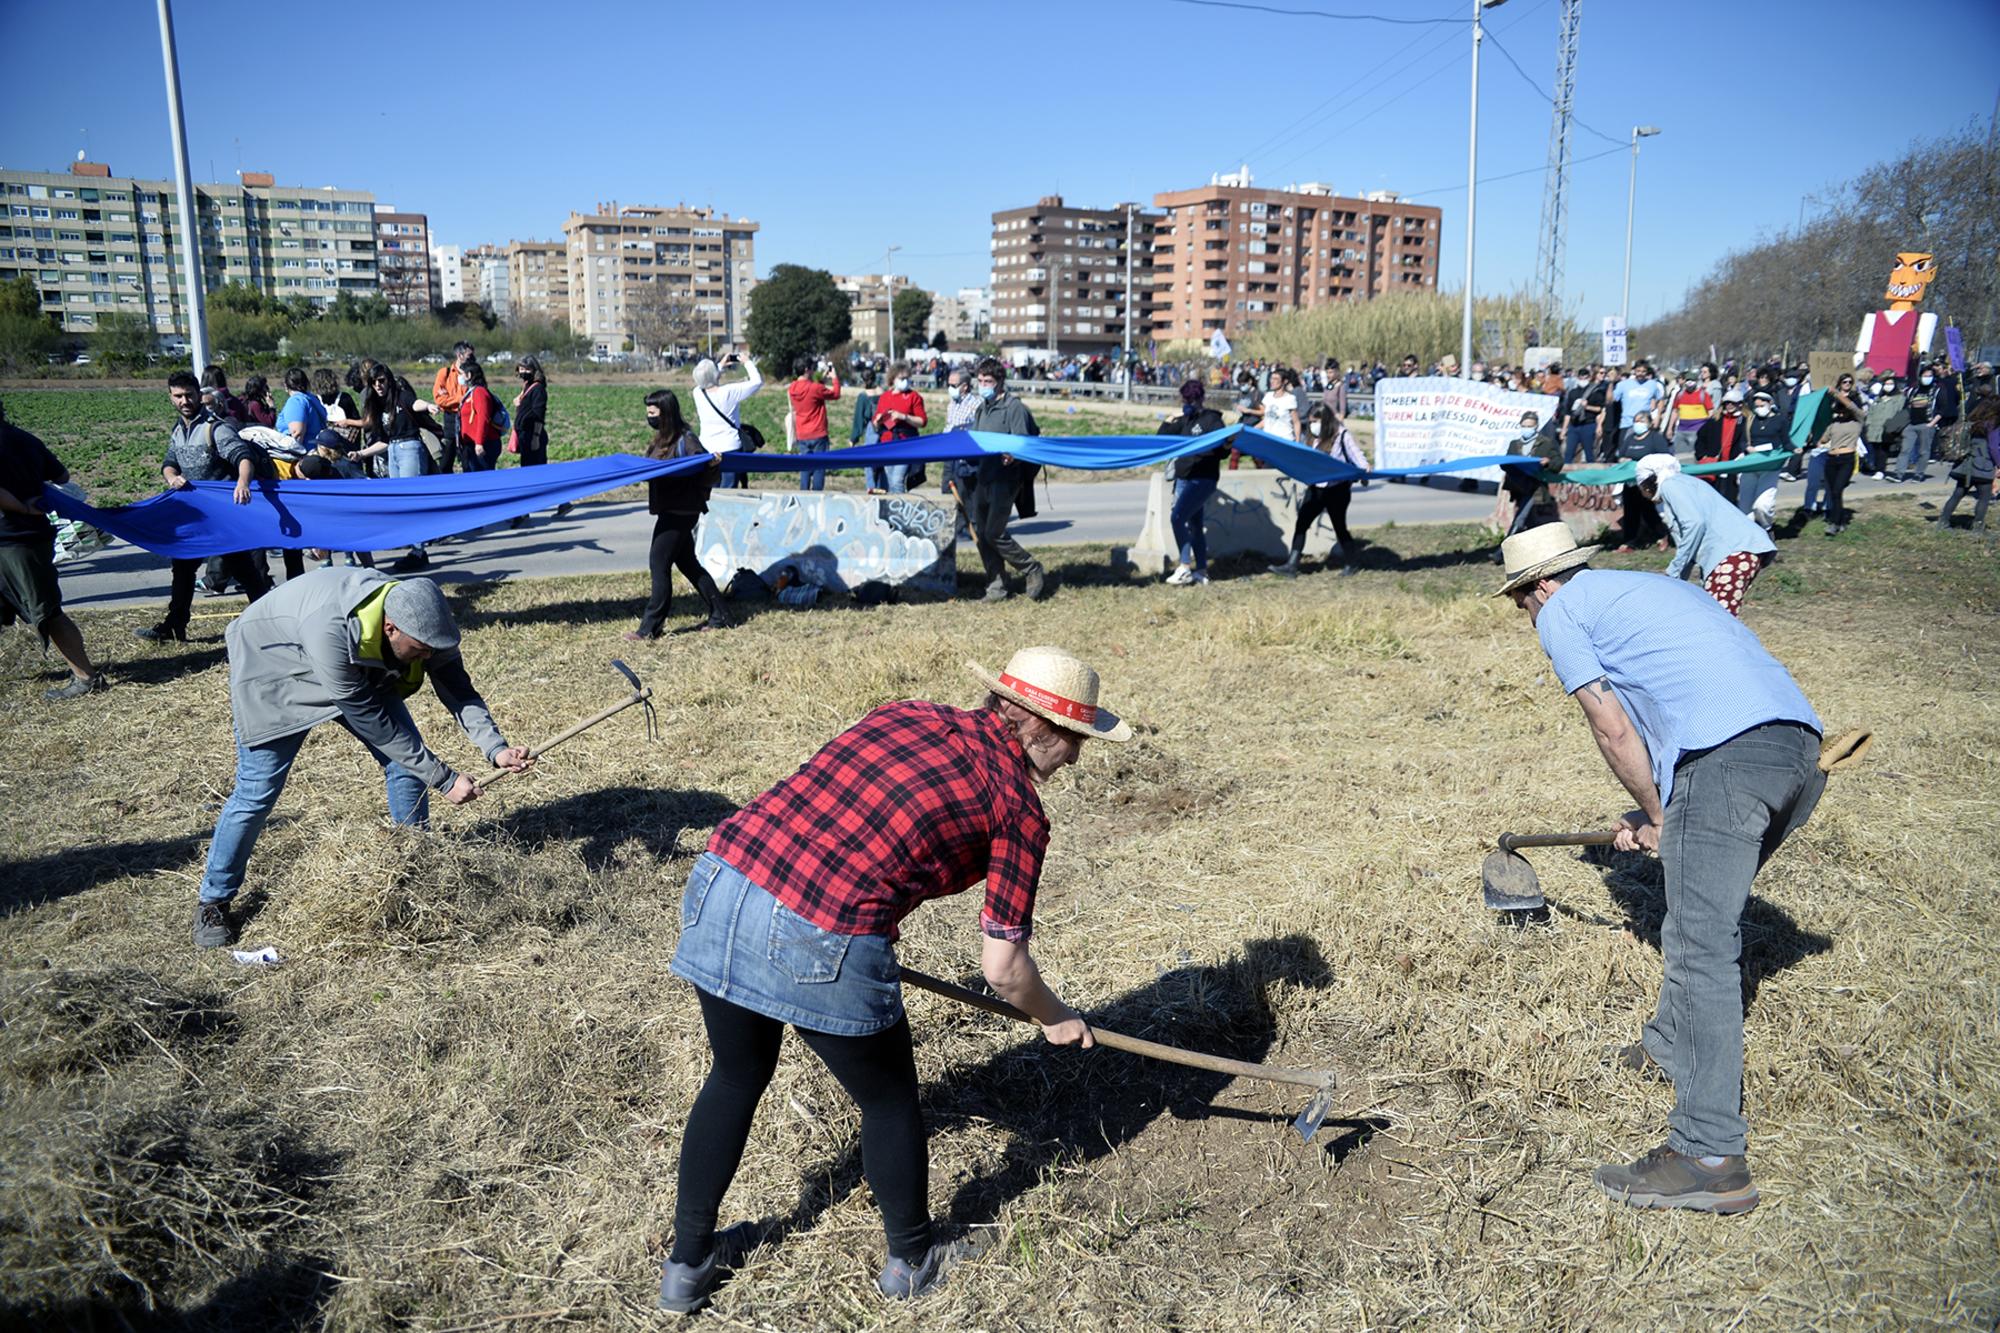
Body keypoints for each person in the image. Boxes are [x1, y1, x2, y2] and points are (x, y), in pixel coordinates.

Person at [659, 646, 1130, 1312]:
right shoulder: (1019, 808)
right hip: (825, 928)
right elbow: (1005, 966)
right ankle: (912, 1260)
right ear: (1031, 721)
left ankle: (685, 1268)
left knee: (736, 1074)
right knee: (887, 1100)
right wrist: (1055, 1016)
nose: (1077, 757)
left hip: (724, 882)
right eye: (1074, 738)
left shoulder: (906, 714)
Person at [1496, 522, 1823, 1215]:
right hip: (1797, 749)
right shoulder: (1644, 589)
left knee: (1701, 944)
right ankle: (1672, 1044)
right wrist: (1654, 811)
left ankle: (1709, 1156)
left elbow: (1611, 726)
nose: (1527, 615)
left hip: (1730, 758)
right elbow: (1681, 703)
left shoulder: (1559, 611)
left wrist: (1660, 812)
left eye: (1520, 601)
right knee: (1699, 913)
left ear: (1540, 585)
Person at [190, 570, 534, 948]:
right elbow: (374, 723)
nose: (428, 657)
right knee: (257, 792)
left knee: (407, 766)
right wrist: (446, 779)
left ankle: (414, 870)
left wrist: (495, 748)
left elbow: (458, 689)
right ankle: (214, 901)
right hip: (274, 663)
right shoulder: (329, 629)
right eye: (421, 651)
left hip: (358, 663)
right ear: (390, 628)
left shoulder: (429, 627)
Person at [133, 371, 274, 644]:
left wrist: (243, 483)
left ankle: (271, 622)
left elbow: (242, 457)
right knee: (183, 569)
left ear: (198, 394)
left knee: (245, 571)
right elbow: (169, 462)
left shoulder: (215, 427)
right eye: (178, 396)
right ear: (170, 397)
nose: (184, 400)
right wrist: (172, 477)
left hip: (220, 516)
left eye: (189, 394)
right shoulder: (178, 429)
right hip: (192, 515)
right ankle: (175, 626)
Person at [0, 398, 103, 700]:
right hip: (30, 536)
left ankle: (87, 677)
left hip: (16, 540)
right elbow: (62, 476)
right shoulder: (25, 438)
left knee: (47, 612)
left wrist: (21, 506)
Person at [626, 389, 727, 638]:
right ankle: (721, 614)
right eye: (647, 412)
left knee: (658, 563)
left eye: (653, 412)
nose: (649, 417)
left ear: (666, 412)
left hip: (682, 511)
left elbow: (706, 469)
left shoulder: (686, 439)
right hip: (671, 508)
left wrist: (713, 464)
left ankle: (650, 628)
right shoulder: (661, 440)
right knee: (689, 565)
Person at [1635, 453, 1776, 616]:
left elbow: (1694, 524)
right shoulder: (1686, 482)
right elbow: (1692, 542)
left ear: (1647, 483)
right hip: (1738, 553)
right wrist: (1676, 578)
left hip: (1734, 554)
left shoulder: (1670, 485)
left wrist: (1674, 571)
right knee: (1713, 615)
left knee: (1719, 621)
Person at [965, 359, 1046, 602]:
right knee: (981, 532)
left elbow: (1024, 442)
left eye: (987, 381)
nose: (983, 385)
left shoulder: (1014, 408)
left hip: (1006, 479)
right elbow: (977, 441)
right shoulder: (982, 408)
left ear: (1000, 382)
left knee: (994, 532)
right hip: (984, 477)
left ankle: (1031, 568)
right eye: (979, 381)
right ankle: (996, 587)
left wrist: (1013, 455)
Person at [364, 364, 440, 571]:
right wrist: (361, 454)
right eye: (373, 382)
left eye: (381, 380)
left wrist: (429, 406)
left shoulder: (401, 396)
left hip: (409, 447)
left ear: (388, 380)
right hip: (393, 450)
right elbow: (384, 441)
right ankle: (416, 548)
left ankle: (419, 551)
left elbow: (415, 403)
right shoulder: (379, 405)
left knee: (412, 499)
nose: (378, 385)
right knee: (401, 501)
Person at [1277, 402, 1365, 576]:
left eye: (1315, 421)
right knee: (1302, 523)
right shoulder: (1310, 437)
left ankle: (1352, 563)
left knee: (1339, 526)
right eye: (1310, 422)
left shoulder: (1341, 434)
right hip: (1316, 489)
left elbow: (1356, 454)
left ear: (1325, 420)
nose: (1312, 425)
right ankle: (1291, 565)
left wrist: (1364, 469)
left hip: (1337, 489)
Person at [1156, 379, 1228, 587]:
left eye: (1191, 399)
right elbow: (1161, 439)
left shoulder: (1212, 419)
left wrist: (1220, 445)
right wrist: (1171, 418)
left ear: (1201, 398)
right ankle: (1202, 571)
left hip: (1203, 479)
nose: (1189, 402)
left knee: (1177, 518)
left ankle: (1185, 567)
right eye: (1186, 399)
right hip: (1183, 477)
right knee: (1195, 524)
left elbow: (1222, 451)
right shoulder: (1183, 420)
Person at [1494, 409, 1565, 558]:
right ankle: (1537, 551)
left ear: (1536, 426)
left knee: (1520, 518)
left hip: (1535, 487)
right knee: (1530, 521)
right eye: (1524, 425)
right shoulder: (1514, 445)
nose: (1527, 428)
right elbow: (1506, 465)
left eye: (1530, 425)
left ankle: (1502, 552)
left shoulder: (1546, 443)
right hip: (1518, 486)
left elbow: (1558, 463)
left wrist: (1548, 463)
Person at [692, 350, 762, 494]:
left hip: (708, 448)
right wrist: (747, 362)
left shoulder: (697, 393)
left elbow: (705, 379)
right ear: (715, 374)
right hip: (730, 448)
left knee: (712, 490)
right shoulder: (729, 392)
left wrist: (720, 366)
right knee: (729, 491)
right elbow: (757, 382)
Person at [1934, 394, 1999, 533]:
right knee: (1984, 497)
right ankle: (1978, 528)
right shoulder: (1993, 424)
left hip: (1965, 464)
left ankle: (1943, 522)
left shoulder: (1971, 422)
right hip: (1982, 465)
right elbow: (1993, 447)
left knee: (1957, 493)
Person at [1612, 410, 1669, 552]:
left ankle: (1662, 535)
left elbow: (1664, 457)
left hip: (1648, 482)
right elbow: (1621, 456)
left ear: (1649, 423)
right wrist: (1624, 460)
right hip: (1631, 482)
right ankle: (1629, 541)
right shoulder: (1630, 438)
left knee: (1648, 510)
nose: (1638, 424)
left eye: (1641, 420)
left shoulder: (1655, 438)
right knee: (1630, 511)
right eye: (1636, 421)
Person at [1818, 374, 1867, 535]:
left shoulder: (1857, 421)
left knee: (1838, 490)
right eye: (1839, 411)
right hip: (1831, 459)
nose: (1842, 413)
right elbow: (1822, 440)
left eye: (1843, 410)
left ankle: (1835, 523)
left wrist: (1836, 393)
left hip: (1847, 459)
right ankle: (1839, 520)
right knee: (1833, 492)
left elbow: (1853, 407)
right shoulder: (1834, 424)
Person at [1733, 390, 1789, 529]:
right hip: (1751, 465)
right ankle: (1751, 539)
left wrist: (1795, 450)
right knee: (1745, 509)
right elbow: (1742, 441)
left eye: (1762, 404)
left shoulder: (1780, 420)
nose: (1759, 408)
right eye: (1756, 406)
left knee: (1762, 506)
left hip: (1769, 467)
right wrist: (1748, 448)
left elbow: (1786, 442)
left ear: (1770, 403)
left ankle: (1766, 528)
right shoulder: (1750, 420)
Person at [786, 355, 840, 493]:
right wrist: (834, 378)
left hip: (802, 433)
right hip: (818, 432)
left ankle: (803, 492)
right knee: (819, 467)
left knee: (805, 466)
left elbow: (811, 390)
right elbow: (835, 394)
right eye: (811, 369)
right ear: (806, 369)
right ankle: (816, 494)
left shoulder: (792, 388)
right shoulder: (815, 388)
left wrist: (821, 379)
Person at [871, 366, 927, 494]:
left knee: (897, 480)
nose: (905, 381)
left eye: (907, 378)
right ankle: (894, 510)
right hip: (887, 444)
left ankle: (901, 508)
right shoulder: (885, 397)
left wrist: (904, 417)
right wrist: (878, 420)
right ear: (893, 379)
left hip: (905, 444)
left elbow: (922, 421)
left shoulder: (914, 397)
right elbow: (876, 423)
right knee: (891, 480)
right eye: (902, 378)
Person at [432, 341, 474, 473]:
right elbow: (440, 399)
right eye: (469, 356)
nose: (472, 359)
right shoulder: (445, 373)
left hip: (469, 419)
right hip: (451, 419)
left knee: (468, 461)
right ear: (459, 355)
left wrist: (453, 400)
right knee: (446, 461)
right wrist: (461, 399)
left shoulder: (473, 373)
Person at [456, 362, 502, 473]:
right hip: (471, 444)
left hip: (484, 444)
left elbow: (483, 418)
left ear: (469, 375)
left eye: (462, 373)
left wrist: (479, 443)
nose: (460, 377)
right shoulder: (470, 392)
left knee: (482, 477)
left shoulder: (479, 392)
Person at [275, 366, 328, 449]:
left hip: (304, 452)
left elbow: (297, 433)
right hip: (315, 449)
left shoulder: (296, 401)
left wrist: (296, 455)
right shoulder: (312, 398)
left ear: (286, 385)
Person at [1261, 368, 1300, 443]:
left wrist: (1297, 441)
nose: (1272, 381)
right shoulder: (1268, 396)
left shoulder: (1290, 399)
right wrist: (1251, 429)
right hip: (1268, 438)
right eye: (1271, 378)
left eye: (1276, 379)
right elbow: (1266, 420)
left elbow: (1296, 422)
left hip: (1284, 440)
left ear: (1284, 381)